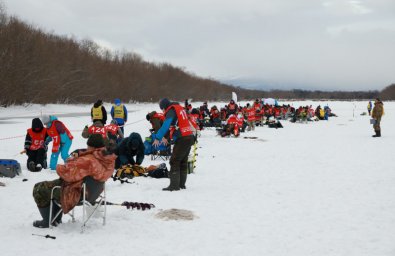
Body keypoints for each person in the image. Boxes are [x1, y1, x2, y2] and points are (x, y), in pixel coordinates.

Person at [32, 134, 116, 228]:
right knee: (51, 185)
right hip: (92, 193)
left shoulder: (88, 160)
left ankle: (48, 221)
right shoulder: (107, 160)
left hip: (76, 193)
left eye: (88, 146)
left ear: (91, 146)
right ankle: (56, 219)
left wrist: (62, 165)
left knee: (39, 188)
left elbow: (67, 173)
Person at [152, 98, 195, 191]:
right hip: (189, 136)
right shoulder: (179, 108)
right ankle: (181, 185)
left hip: (183, 138)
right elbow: (174, 126)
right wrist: (167, 138)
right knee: (183, 160)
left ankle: (174, 186)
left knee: (174, 161)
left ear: (164, 107)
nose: (163, 111)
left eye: (162, 109)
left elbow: (166, 125)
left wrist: (157, 137)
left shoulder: (171, 110)